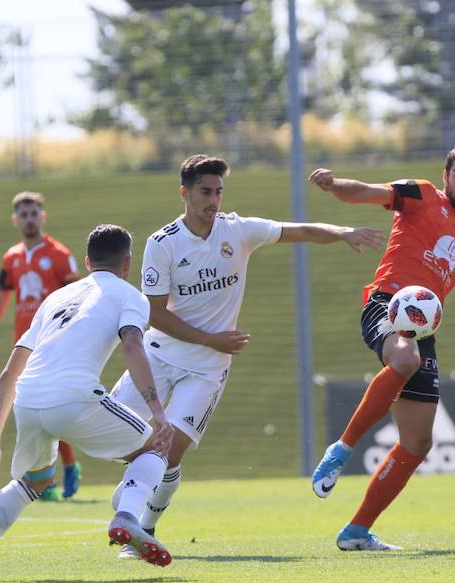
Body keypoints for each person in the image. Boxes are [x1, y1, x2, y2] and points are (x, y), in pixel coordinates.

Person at [109, 154, 385, 558]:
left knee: (169, 453)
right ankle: (136, 491)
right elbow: (154, 312)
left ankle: (141, 528)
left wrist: (343, 232)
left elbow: (299, 231)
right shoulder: (162, 243)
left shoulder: (238, 231)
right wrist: (209, 337)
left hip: (206, 370)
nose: (213, 200)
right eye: (205, 191)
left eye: (219, 191)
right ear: (184, 192)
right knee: (122, 438)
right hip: (158, 356)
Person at [308, 143, 455, 551]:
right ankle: (340, 451)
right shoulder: (421, 193)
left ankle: (357, 531)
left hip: (421, 329)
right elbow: (365, 190)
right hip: (387, 303)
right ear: (446, 173)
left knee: (418, 441)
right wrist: (333, 185)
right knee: (405, 357)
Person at [0, 224, 175, 583]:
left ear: (86, 261)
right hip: (74, 398)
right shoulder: (131, 295)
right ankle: (128, 517)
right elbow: (132, 344)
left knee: (34, 481)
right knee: (156, 449)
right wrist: (158, 412)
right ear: (127, 263)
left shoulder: (56, 298)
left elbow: (10, 371)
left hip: (29, 400)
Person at [0, 191, 83, 501]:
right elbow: (0, 301)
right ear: (15, 219)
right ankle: (46, 477)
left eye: (34, 213)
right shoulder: (12, 257)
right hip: (24, 344)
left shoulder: (58, 254)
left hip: (54, 341)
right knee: (28, 406)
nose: (29, 219)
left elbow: (78, 297)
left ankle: (65, 468)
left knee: (51, 404)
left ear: (42, 217)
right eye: (24, 214)